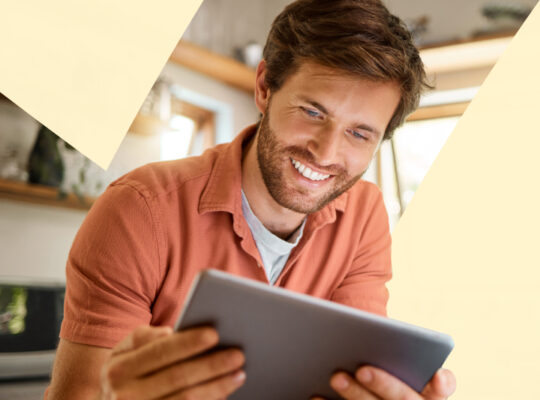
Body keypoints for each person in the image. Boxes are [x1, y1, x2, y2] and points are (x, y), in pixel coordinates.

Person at [47, 0, 456, 399]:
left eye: (359, 133)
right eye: (313, 112)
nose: (327, 153)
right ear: (264, 88)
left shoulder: (364, 215)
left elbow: (350, 376)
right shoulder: (139, 210)